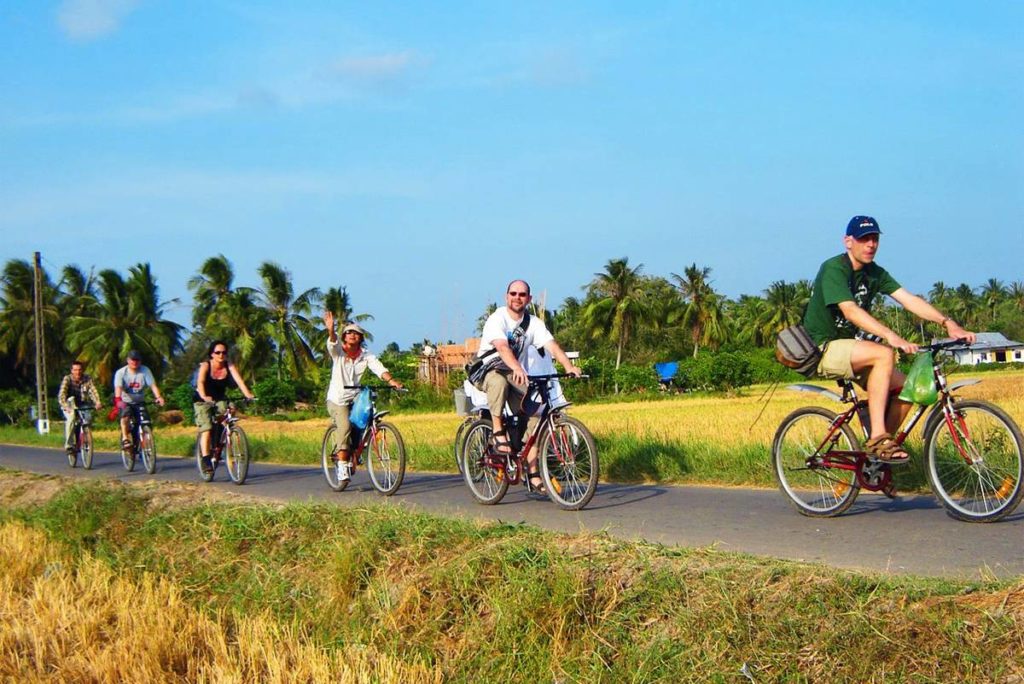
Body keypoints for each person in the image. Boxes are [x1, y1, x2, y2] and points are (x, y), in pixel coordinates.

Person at [802, 215, 975, 461]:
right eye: (864, 239)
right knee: (884, 352)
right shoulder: (834, 268)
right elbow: (850, 310)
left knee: (910, 389)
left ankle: (879, 452)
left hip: (851, 349)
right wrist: (891, 336)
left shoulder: (875, 273)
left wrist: (949, 324)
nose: (870, 244)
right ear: (848, 241)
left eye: (874, 239)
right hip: (823, 347)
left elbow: (909, 300)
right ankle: (878, 436)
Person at [473, 279, 582, 492]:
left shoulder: (534, 323)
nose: (517, 298)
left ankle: (533, 473)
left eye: (522, 294)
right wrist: (518, 368)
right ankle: (497, 430)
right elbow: (503, 348)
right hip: (487, 371)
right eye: (513, 293)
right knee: (498, 381)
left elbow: (552, 346)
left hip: (516, 374)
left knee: (535, 413)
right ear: (506, 297)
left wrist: (569, 366)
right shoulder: (497, 319)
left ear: (529, 299)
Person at [324, 312, 404, 482]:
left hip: (355, 396)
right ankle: (342, 465)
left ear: (361, 338)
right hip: (337, 399)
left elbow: (379, 369)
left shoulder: (366, 355)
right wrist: (331, 331)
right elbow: (332, 344)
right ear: (344, 337)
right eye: (349, 333)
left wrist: (392, 382)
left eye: (356, 333)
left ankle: (356, 450)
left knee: (365, 418)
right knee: (344, 426)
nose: (353, 335)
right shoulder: (339, 352)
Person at [193, 340, 256, 474]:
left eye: (224, 352)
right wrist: (204, 396)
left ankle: (221, 442)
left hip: (219, 398)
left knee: (229, 412)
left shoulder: (229, 366)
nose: (221, 355)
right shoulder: (205, 366)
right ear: (212, 354)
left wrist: (248, 394)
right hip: (202, 399)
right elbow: (201, 382)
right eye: (218, 352)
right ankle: (205, 459)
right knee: (206, 428)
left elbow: (239, 381)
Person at [113, 349, 166, 450]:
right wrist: (118, 400)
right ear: (128, 360)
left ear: (140, 361)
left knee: (146, 422)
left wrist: (158, 397)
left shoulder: (145, 370)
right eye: (132, 360)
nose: (135, 362)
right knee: (125, 416)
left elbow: (153, 385)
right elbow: (118, 388)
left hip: (140, 401)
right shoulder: (121, 373)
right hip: (125, 401)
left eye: (137, 360)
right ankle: (125, 438)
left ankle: (144, 446)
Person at [57, 360, 102, 457]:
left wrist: (97, 402)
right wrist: (66, 407)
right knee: (71, 418)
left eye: (80, 370)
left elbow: (93, 391)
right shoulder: (67, 379)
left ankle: (84, 437)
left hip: (82, 404)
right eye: (75, 370)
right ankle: (69, 445)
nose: (78, 372)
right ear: (72, 371)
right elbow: (62, 395)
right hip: (69, 403)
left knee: (88, 418)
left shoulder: (87, 378)